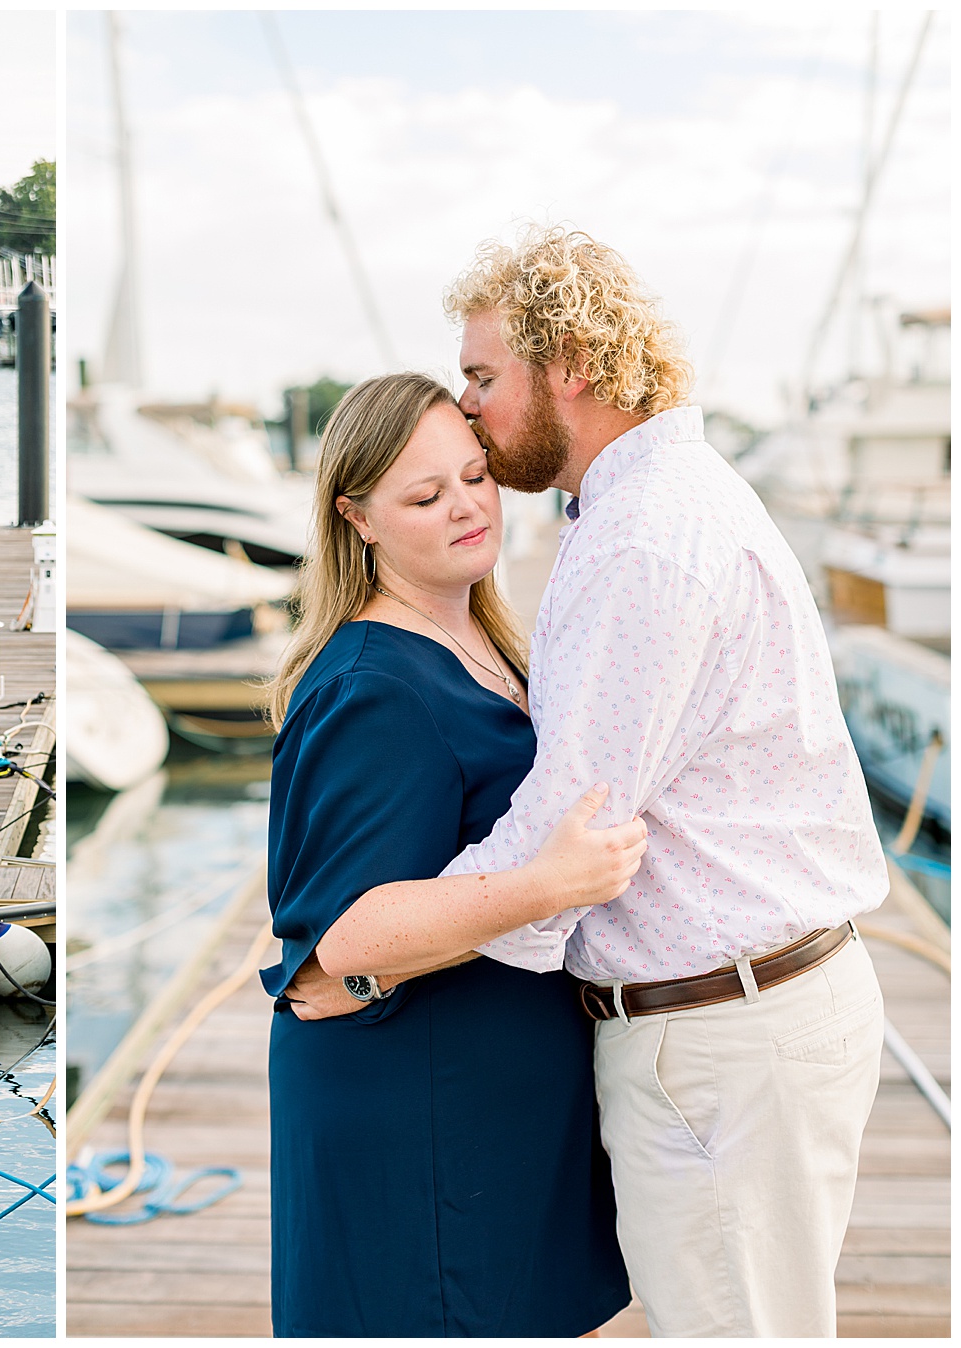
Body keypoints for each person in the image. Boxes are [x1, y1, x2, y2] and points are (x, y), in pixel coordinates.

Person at [293, 227, 889, 1338]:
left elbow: (569, 829)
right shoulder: (649, 505)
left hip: (726, 1033)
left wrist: (360, 958)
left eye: (482, 378)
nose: (467, 406)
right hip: (744, 1014)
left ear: (566, 364)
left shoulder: (640, 543)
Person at [262, 370, 643, 1337]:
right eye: (426, 496)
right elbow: (342, 937)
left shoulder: (487, 639)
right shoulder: (371, 687)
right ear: (358, 519)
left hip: (494, 1099)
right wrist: (544, 885)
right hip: (419, 1114)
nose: (468, 506)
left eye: (475, 477)